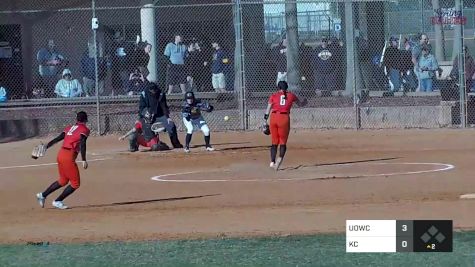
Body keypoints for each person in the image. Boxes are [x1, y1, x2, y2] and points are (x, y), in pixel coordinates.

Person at [35, 111, 90, 209]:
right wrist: (84, 159)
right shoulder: (84, 129)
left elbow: (58, 138)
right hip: (68, 156)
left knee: (63, 180)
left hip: (61, 154)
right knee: (75, 184)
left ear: (76, 119)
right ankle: (57, 201)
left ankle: (42, 195)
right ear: (86, 119)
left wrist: (47, 146)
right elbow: (82, 143)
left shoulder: (69, 128)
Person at [264, 81, 307, 171]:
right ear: (287, 87)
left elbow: (267, 110)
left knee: (274, 142)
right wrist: (305, 102)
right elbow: (300, 104)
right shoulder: (291, 95)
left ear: (278, 87)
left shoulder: (274, 95)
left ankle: (272, 162)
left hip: (274, 117)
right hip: (284, 118)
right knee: (283, 142)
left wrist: (265, 123)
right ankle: (278, 161)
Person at [139, 82, 183, 148]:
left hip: (160, 115)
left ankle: (175, 143)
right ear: (149, 90)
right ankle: (139, 143)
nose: (154, 91)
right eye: (152, 90)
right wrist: (146, 115)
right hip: (147, 116)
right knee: (143, 128)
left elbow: (164, 106)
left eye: (155, 90)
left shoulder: (160, 94)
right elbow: (141, 108)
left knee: (171, 126)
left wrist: (167, 117)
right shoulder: (144, 94)